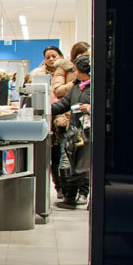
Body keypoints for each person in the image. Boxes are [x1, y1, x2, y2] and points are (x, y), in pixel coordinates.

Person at [50, 53, 93, 208]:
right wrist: (45, 109)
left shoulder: (95, 87)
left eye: (76, 69)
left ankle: (81, 194)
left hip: (88, 131)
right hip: (75, 131)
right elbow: (64, 104)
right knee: (73, 163)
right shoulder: (76, 87)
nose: (74, 72)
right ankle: (70, 195)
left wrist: (90, 108)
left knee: (83, 164)